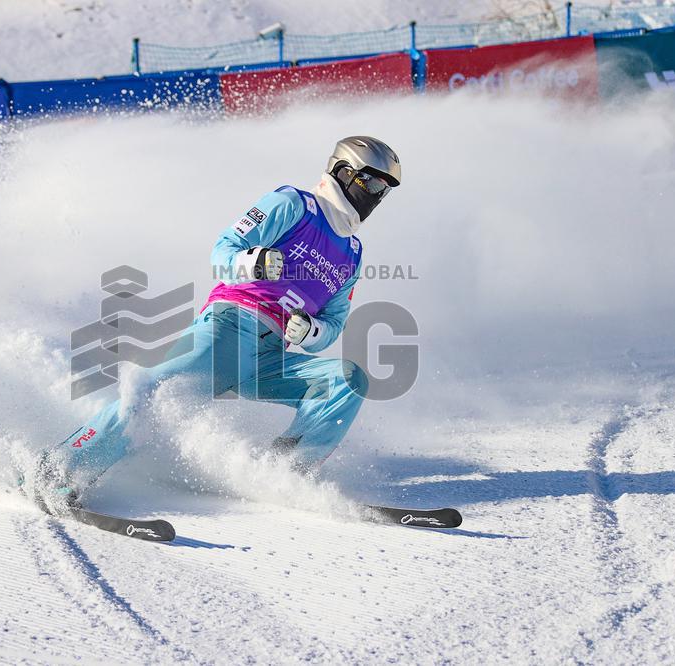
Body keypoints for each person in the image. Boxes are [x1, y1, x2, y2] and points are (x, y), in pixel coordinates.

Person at [30, 136, 401, 514]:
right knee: (154, 394)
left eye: (384, 190)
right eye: (372, 183)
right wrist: (252, 262)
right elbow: (222, 248)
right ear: (344, 171)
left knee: (347, 381)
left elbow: (334, 324)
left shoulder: (352, 255)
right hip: (228, 328)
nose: (376, 195)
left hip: (269, 356)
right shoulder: (294, 204)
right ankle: (59, 469)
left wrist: (311, 332)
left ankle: (284, 475)